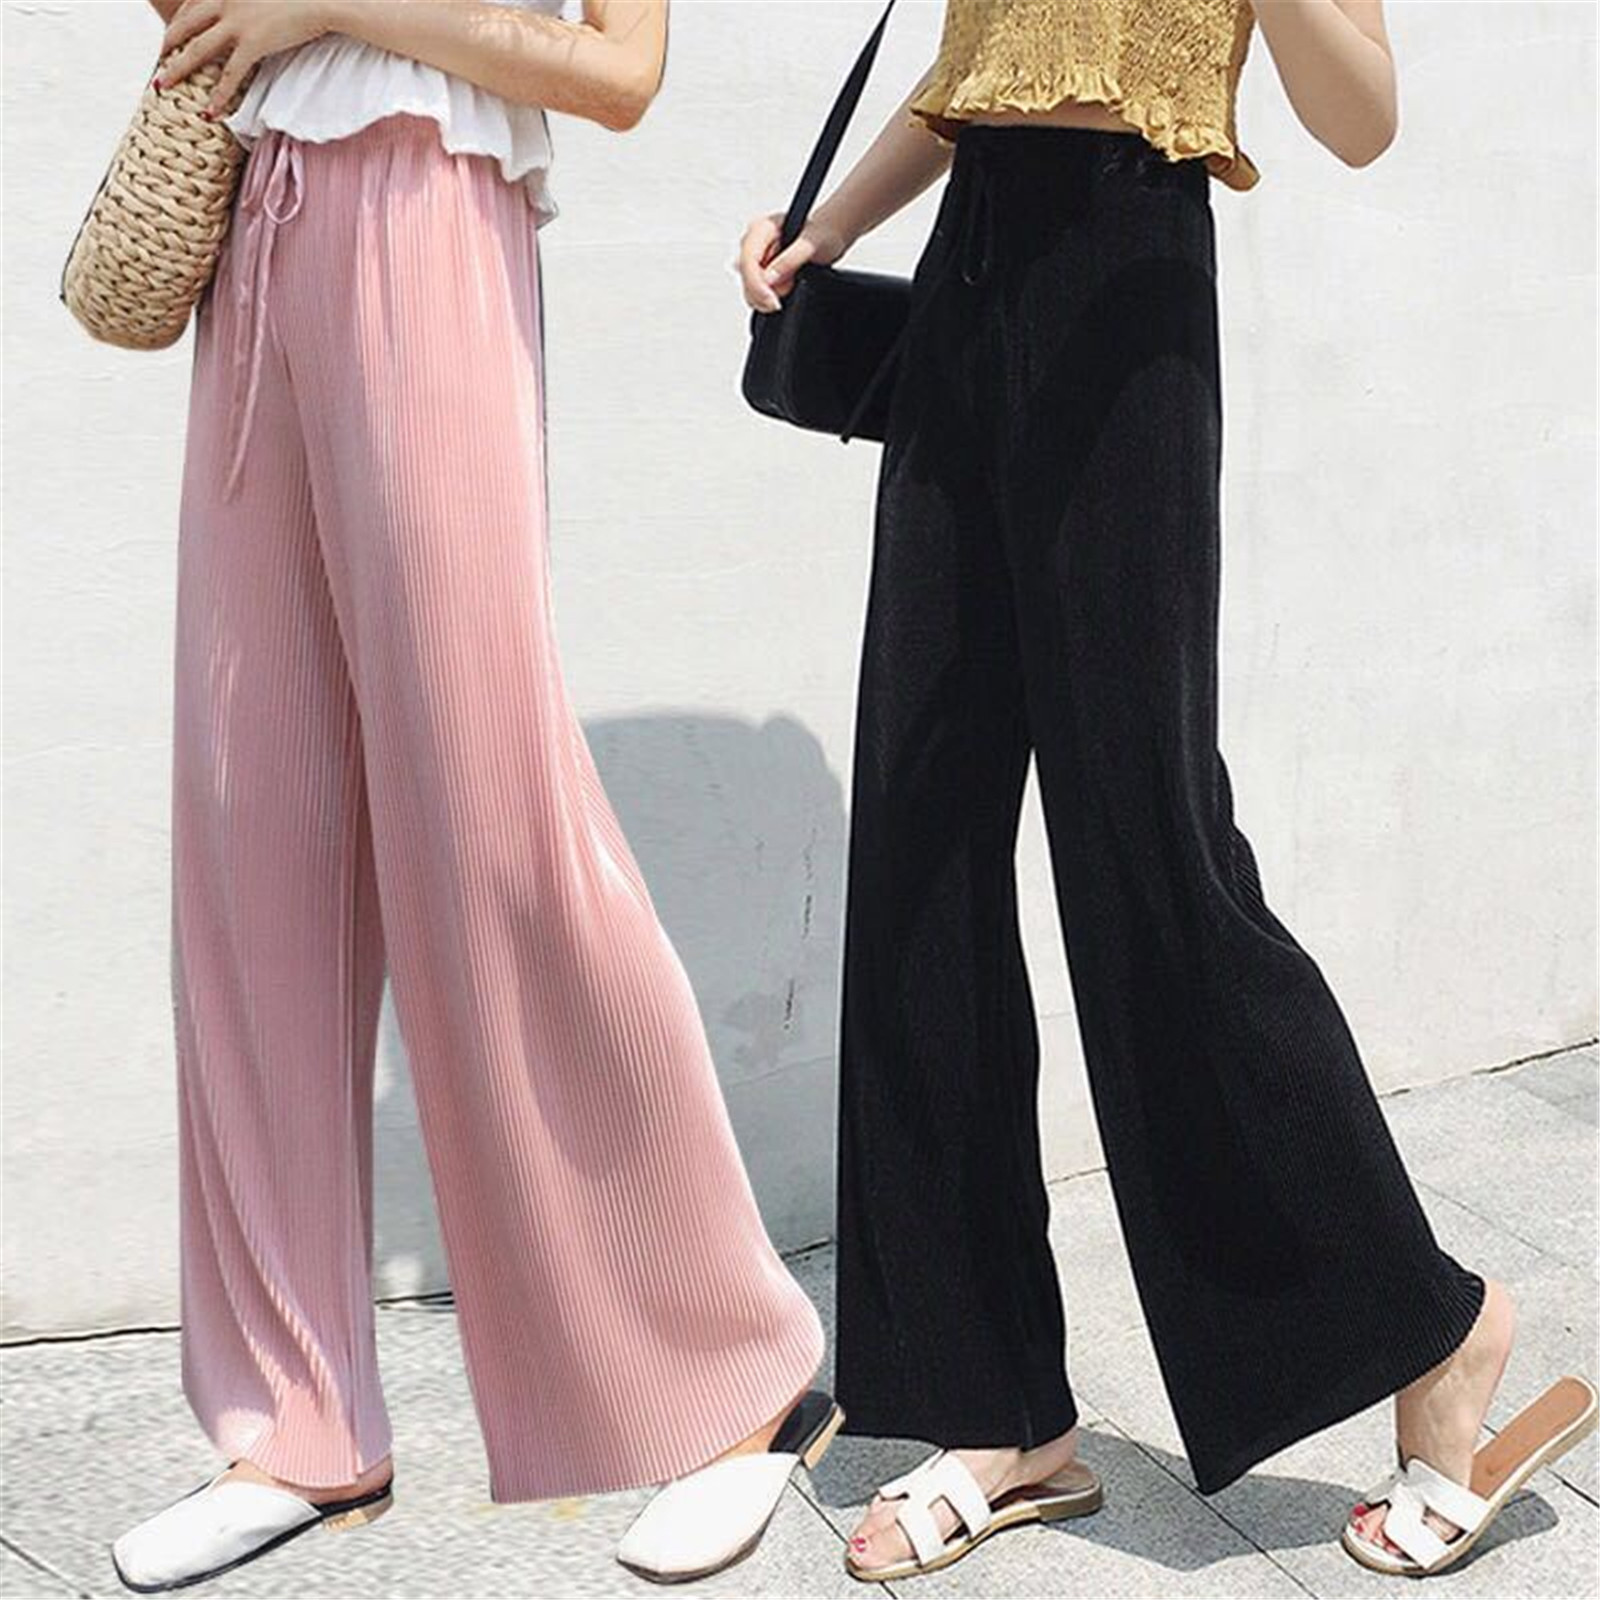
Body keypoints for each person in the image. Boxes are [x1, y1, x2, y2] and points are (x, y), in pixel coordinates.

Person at [738, 0, 1594, 1583]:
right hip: (967, 281)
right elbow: (980, 71)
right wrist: (828, 229)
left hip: (1126, 280)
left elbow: (1363, 115)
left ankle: (1438, 1327)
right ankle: (996, 1412)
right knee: (918, 855)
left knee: (1148, 850)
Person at [110, 2, 834, 1592]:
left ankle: (737, 1378)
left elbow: (623, 73)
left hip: (433, 213)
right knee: (250, 826)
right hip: (261, 221)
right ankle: (298, 1422)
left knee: (484, 805)